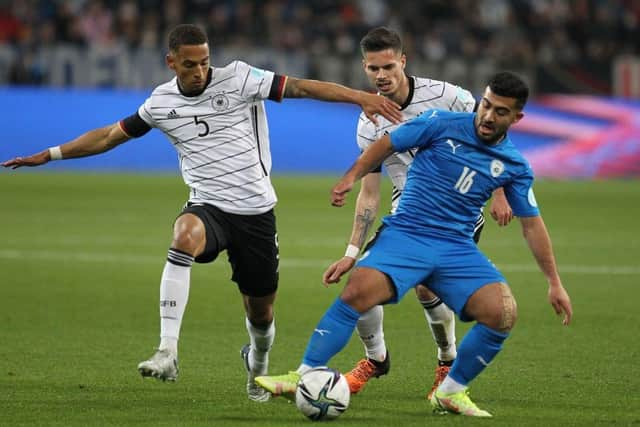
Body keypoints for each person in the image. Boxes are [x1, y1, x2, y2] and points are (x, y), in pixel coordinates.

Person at [1, 24, 403, 403]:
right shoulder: (161, 103)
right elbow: (109, 135)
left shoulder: (240, 79)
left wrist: (359, 96)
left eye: (205, 61)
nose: (200, 71)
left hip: (256, 212)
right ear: (171, 62)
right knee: (183, 235)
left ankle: (256, 367)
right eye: (190, 64)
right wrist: (50, 154)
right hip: (208, 206)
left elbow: (300, 86)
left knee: (260, 312)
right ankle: (167, 351)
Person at [255, 71, 573, 417]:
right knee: (358, 290)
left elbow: (532, 226)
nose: (487, 116)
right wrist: (352, 175)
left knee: (502, 313)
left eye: (500, 111)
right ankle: (302, 375)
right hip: (407, 232)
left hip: (456, 247)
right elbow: (387, 144)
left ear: (517, 118)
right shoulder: (440, 122)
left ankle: (451, 391)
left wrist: (554, 283)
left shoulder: (515, 165)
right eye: (486, 105)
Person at [322, 27, 513, 399]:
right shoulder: (368, 123)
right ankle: (375, 359)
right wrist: (349, 252)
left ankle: (446, 360)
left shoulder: (448, 97)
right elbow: (369, 193)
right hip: (406, 217)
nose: (382, 75)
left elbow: (494, 130)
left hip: (455, 212)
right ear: (364, 68)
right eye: (374, 68)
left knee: (427, 285)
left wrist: (501, 190)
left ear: (403, 62)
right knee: (359, 286)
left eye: (388, 66)